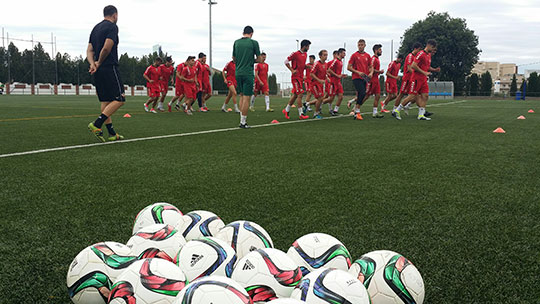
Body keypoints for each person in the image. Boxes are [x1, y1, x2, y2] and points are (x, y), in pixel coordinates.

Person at [87, 5, 125, 142]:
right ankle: (97, 124)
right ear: (115, 15)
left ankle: (112, 133)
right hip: (109, 67)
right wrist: (100, 62)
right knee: (120, 98)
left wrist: (93, 63)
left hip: (98, 69)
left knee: (106, 100)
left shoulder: (95, 28)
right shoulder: (112, 27)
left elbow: (89, 50)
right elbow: (107, 48)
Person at [395, 39, 440, 121]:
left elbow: (426, 66)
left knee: (425, 96)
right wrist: (424, 72)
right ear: (428, 45)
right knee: (412, 96)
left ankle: (421, 115)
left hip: (423, 79)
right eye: (433, 47)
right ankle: (397, 109)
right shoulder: (421, 54)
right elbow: (413, 65)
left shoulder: (428, 56)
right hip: (416, 78)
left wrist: (434, 70)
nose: (433, 50)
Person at [233, 25, 262, 128]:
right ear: (252, 33)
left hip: (238, 72)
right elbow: (259, 59)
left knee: (241, 96)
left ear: (243, 32)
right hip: (248, 73)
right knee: (246, 98)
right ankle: (243, 122)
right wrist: (251, 60)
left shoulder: (236, 42)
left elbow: (234, 58)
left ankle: (241, 119)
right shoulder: (254, 43)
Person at [391, 42, 422, 117]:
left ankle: (409, 106)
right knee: (401, 94)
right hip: (407, 78)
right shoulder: (410, 56)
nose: (419, 52)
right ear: (415, 49)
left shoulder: (415, 57)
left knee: (416, 94)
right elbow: (409, 68)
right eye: (419, 50)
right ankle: (394, 109)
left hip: (412, 78)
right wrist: (418, 73)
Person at [283, 39, 311, 120]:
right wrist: (292, 70)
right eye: (308, 46)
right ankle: (301, 113)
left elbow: (301, 65)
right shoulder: (295, 54)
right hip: (295, 78)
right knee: (300, 95)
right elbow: (286, 61)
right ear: (304, 46)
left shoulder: (305, 54)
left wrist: (306, 66)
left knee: (295, 95)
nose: (309, 48)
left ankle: (286, 110)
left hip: (300, 77)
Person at [347, 39, 373, 120]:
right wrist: (357, 72)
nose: (360, 46)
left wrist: (371, 73)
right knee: (362, 92)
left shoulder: (368, 56)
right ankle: (357, 111)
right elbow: (348, 67)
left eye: (362, 45)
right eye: (359, 45)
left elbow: (371, 66)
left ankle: (355, 111)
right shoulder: (354, 55)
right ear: (357, 45)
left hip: (364, 78)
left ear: (365, 45)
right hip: (356, 77)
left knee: (363, 94)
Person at [363, 44, 384, 118]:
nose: (381, 51)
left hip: (376, 79)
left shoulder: (377, 59)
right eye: (380, 50)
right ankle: (356, 108)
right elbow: (370, 69)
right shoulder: (373, 59)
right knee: (366, 96)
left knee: (378, 95)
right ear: (376, 50)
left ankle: (375, 112)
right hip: (371, 80)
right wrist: (379, 71)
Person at [323, 48, 346, 115]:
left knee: (341, 96)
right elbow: (329, 70)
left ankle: (335, 110)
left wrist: (341, 75)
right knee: (330, 98)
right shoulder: (335, 61)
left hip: (338, 82)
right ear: (340, 53)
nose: (345, 54)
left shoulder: (340, 61)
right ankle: (318, 103)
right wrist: (337, 75)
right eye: (344, 53)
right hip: (332, 82)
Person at [309, 50, 329, 119]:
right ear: (320, 56)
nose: (326, 56)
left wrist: (327, 78)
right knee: (320, 98)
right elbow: (311, 74)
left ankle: (307, 104)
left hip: (320, 84)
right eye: (324, 55)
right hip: (314, 83)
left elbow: (324, 73)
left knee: (321, 98)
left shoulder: (326, 64)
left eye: (326, 55)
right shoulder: (316, 64)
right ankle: (316, 114)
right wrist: (319, 80)